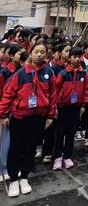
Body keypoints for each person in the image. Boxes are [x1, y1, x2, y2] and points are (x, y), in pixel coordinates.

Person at [0, 42, 57, 198]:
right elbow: (7, 95)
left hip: (38, 118)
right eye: (36, 51)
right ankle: (13, 179)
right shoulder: (20, 74)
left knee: (30, 148)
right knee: (16, 149)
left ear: (46, 54)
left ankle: (24, 177)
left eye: (43, 52)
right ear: (31, 53)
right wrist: (4, 115)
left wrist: (51, 115)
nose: (39, 54)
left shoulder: (49, 73)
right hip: (19, 117)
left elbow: (53, 96)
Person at [52, 46, 88, 170]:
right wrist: (56, 106)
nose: (78, 59)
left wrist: (83, 105)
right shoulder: (63, 74)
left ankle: (67, 156)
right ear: (70, 58)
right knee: (59, 133)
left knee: (71, 132)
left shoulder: (83, 73)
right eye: (75, 56)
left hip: (76, 108)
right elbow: (55, 91)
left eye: (79, 56)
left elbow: (86, 91)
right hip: (62, 107)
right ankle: (57, 157)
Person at [0, 44, 28, 181]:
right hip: (7, 111)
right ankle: (3, 168)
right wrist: (3, 113)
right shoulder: (6, 72)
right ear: (11, 56)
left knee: (15, 142)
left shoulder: (22, 72)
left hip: (19, 112)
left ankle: (12, 167)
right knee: (5, 141)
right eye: (19, 54)